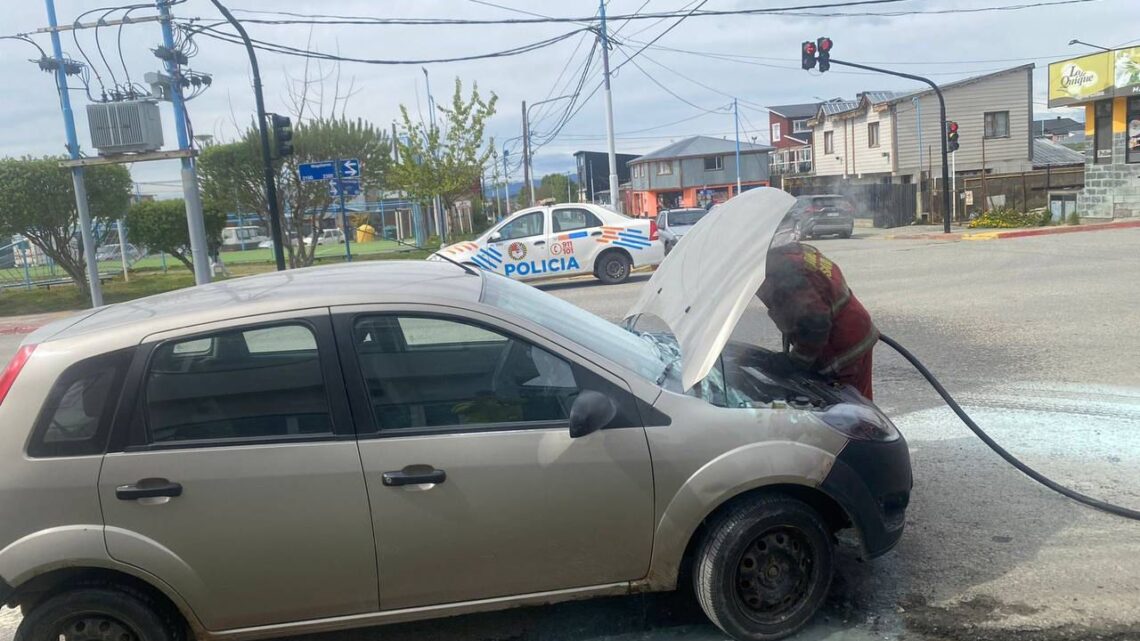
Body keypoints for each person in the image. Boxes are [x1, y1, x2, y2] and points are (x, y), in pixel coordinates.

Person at [756, 240, 878, 399]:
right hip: (853, 328)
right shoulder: (795, 252)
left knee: (848, 405)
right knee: (855, 400)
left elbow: (815, 322)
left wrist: (796, 362)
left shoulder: (785, 272)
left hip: (843, 345)